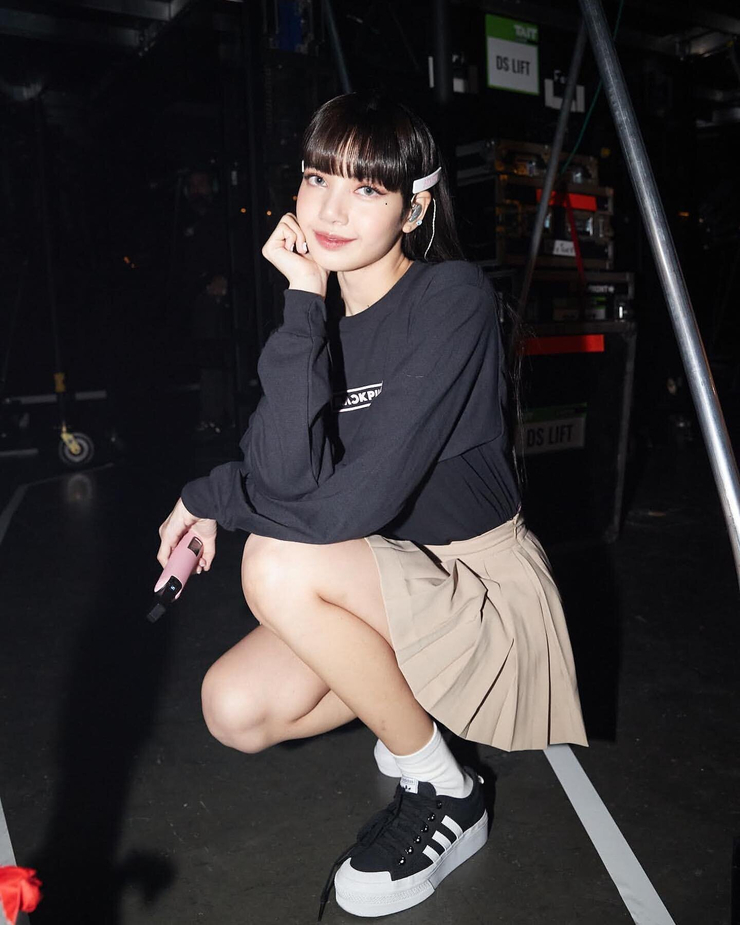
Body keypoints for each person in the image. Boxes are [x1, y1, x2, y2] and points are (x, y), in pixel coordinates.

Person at [156, 92, 587, 919]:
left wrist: (212, 499)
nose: (331, 209)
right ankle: (414, 721)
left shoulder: (452, 298)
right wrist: (302, 304)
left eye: (366, 189)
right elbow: (283, 473)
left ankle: (444, 789)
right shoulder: (314, 317)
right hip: (387, 581)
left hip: (478, 590)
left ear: (414, 208)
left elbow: (344, 508)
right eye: (319, 178)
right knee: (232, 708)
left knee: (277, 564)